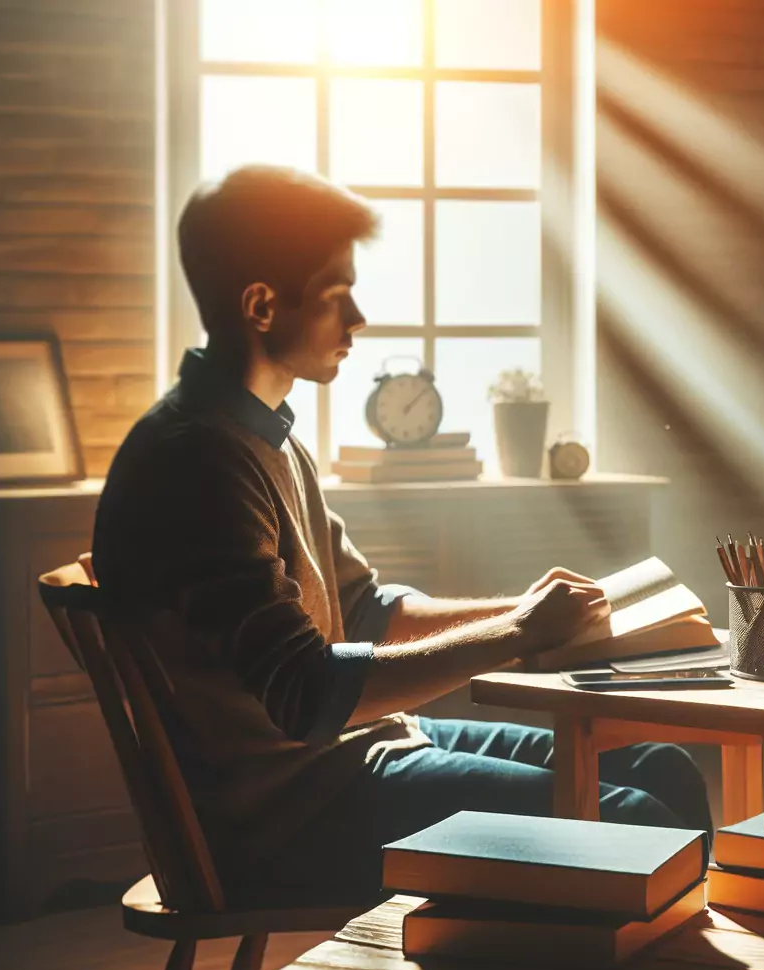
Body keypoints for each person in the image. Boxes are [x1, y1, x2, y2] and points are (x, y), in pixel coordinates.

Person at [92, 165, 710, 906]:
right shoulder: (197, 461)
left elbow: (366, 610)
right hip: (294, 819)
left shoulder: (265, 436)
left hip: (358, 755)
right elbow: (306, 693)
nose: (358, 318)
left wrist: (527, 611)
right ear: (260, 305)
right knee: (638, 823)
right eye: (336, 294)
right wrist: (517, 633)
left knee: (663, 770)